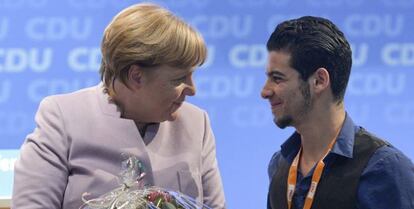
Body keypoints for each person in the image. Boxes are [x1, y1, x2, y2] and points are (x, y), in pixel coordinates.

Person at [12, 3, 226, 209]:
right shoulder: (63, 117)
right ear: (136, 76)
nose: (192, 89)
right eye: (178, 79)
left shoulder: (197, 123)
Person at [262, 16, 414, 209]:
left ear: (319, 80)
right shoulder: (279, 166)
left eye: (277, 78)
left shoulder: (384, 169)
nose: (265, 91)